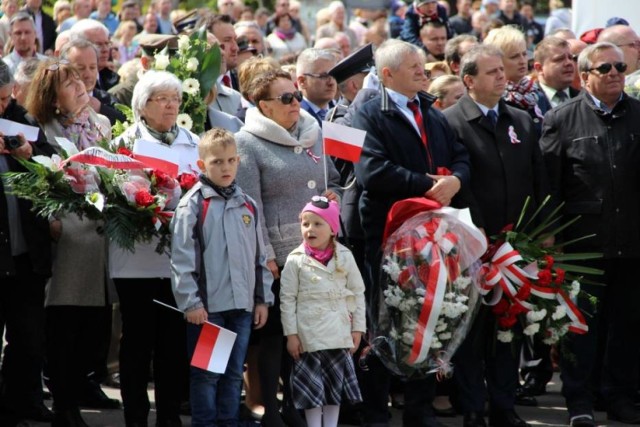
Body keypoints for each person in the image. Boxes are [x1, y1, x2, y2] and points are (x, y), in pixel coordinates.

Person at [352, 38, 470, 427]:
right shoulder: (368, 114)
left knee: (429, 316)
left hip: (435, 235)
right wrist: (426, 183)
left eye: (423, 66)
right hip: (388, 234)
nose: (424, 73)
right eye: (414, 68)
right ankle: (375, 412)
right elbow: (372, 171)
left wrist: (454, 179)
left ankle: (419, 411)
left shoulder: (432, 113)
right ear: (387, 74)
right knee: (384, 321)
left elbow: (460, 156)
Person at [443, 43, 548, 427]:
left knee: (509, 326)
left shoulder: (521, 120)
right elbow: (452, 182)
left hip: (517, 245)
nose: (502, 76)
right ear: (468, 80)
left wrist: (541, 231)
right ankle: (472, 407)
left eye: (502, 70)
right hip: (472, 246)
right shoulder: (451, 121)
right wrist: (474, 233)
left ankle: (504, 405)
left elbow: (538, 179)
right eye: (492, 72)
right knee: (472, 331)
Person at [540, 41, 640, 427]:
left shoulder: (638, 115)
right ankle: (579, 400)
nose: (615, 73)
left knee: (628, 326)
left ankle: (619, 396)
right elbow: (549, 185)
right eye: (605, 68)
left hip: (632, 242)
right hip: (583, 245)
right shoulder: (561, 120)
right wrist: (551, 238)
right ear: (585, 76)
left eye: (619, 66)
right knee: (581, 327)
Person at [234, 69, 341, 427]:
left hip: (315, 253)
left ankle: (298, 404)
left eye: (295, 95)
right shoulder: (246, 142)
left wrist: (334, 197)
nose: (296, 102)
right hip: (278, 257)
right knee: (275, 336)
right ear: (263, 105)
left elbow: (335, 181)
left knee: (305, 334)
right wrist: (264, 256)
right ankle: (272, 410)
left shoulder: (314, 133)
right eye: (285, 99)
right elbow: (250, 207)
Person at [26, 58, 115, 427]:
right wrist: (50, 221)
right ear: (52, 97)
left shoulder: (101, 123)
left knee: (94, 330)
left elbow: (115, 169)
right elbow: (30, 186)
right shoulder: (39, 129)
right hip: (65, 241)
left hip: (101, 239)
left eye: (80, 79)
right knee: (64, 327)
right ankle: (64, 404)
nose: (79, 86)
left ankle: (79, 389)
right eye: (69, 83)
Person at [111, 70, 198, 427]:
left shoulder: (193, 140)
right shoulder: (126, 143)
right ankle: (134, 417)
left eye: (175, 98)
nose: (170, 105)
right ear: (141, 106)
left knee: (173, 346)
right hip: (135, 263)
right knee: (137, 343)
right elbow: (118, 196)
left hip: (177, 261)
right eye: (160, 99)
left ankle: (168, 418)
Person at [171, 128, 273, 427]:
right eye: (217, 162)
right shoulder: (194, 205)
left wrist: (262, 299)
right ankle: (205, 422)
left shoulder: (248, 204)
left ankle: (228, 420)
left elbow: (260, 256)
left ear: (239, 161)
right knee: (206, 373)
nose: (225, 167)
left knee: (232, 371)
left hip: (241, 308)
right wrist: (191, 302)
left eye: (231, 161)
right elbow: (181, 259)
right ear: (202, 165)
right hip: (209, 310)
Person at [0, 58, 54, 425]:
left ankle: (24, 402)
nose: (3, 106)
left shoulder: (21, 118)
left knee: (28, 338)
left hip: (26, 255)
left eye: (5, 98)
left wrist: (30, 155)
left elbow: (52, 159)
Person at [280, 198, 365, 427]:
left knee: (333, 389)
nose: (310, 229)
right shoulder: (295, 260)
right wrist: (291, 335)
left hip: (338, 333)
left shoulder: (345, 256)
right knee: (312, 391)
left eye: (318, 224)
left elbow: (358, 292)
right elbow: (287, 299)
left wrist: (358, 328)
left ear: (332, 229)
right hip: (309, 336)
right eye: (306, 224)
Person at [484, 25, 550, 136]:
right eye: (514, 56)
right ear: (497, 61)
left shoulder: (536, 93)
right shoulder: (493, 99)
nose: (522, 61)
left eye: (524, 54)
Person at [60, 36, 126, 125]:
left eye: (92, 67)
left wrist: (101, 109)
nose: (88, 74)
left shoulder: (108, 100)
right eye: (81, 68)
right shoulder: (55, 102)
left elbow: (126, 124)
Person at [296, 48, 338, 125]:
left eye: (334, 75)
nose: (331, 82)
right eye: (323, 76)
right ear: (302, 81)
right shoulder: (294, 115)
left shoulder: (341, 111)